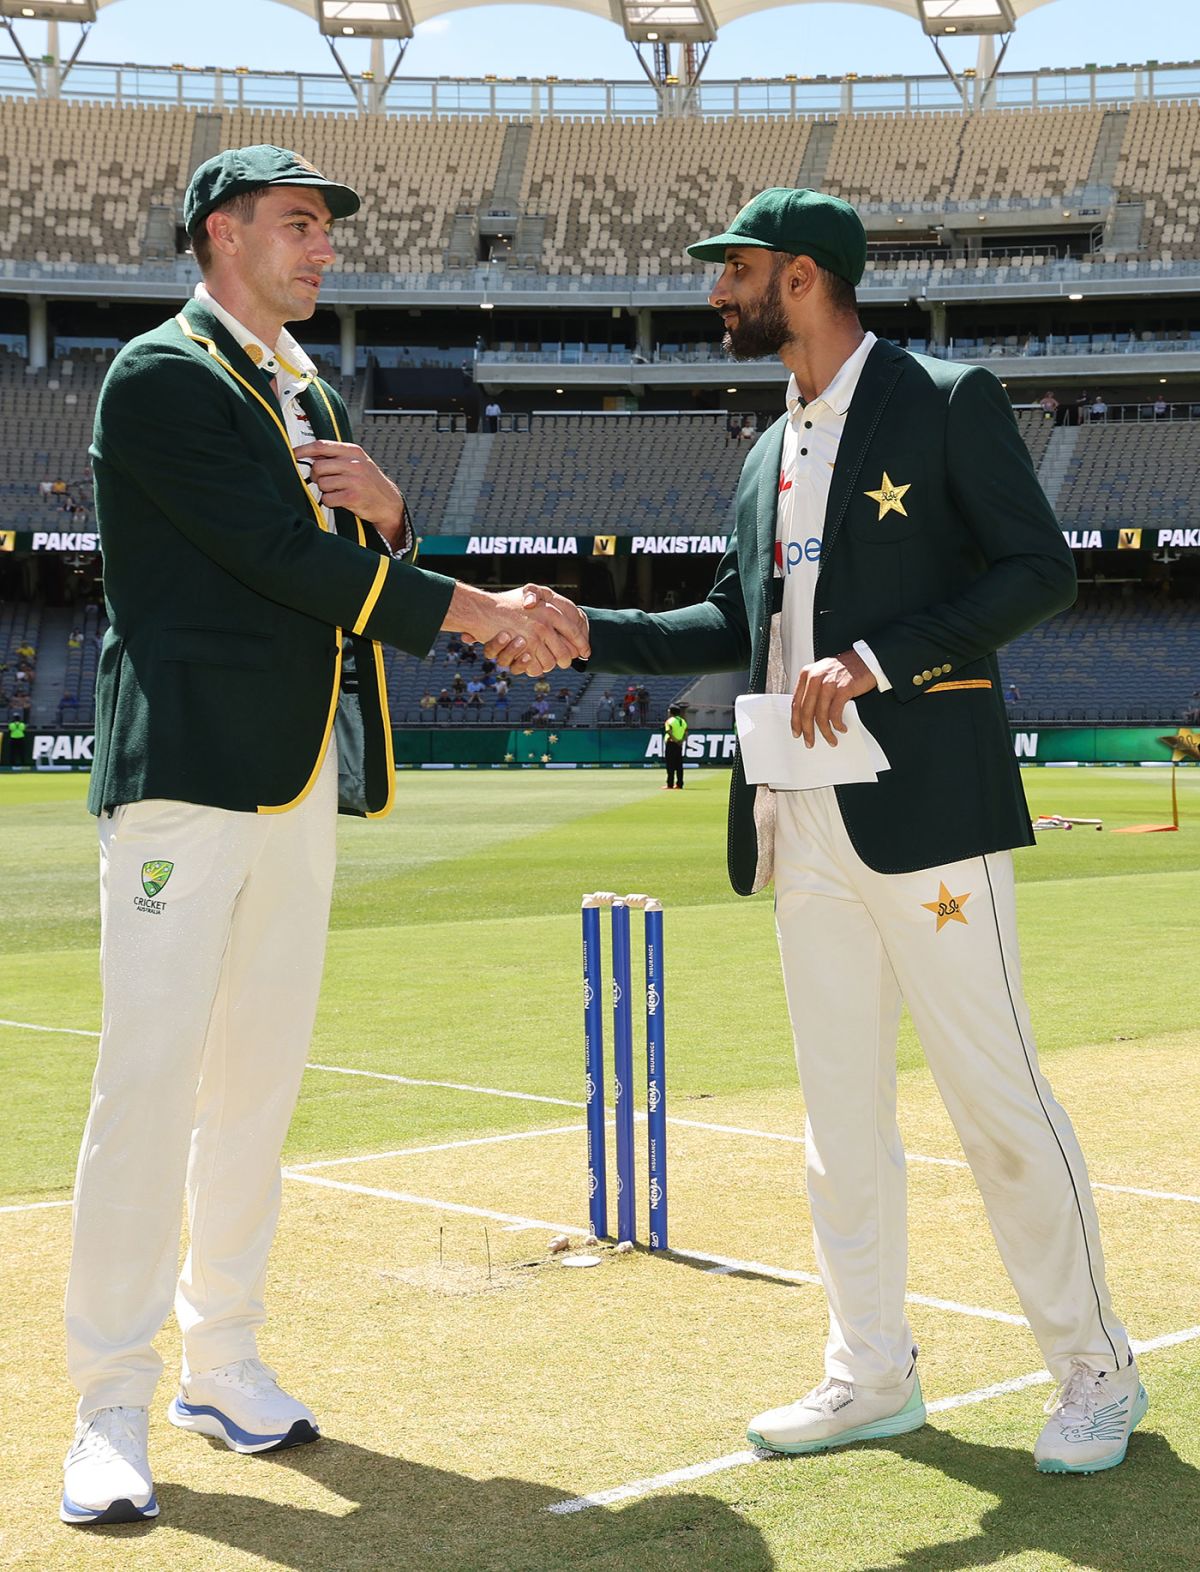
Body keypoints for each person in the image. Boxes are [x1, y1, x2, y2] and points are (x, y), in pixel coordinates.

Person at [495, 187, 1141, 1477]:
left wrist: (872, 659)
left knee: (997, 1101)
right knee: (839, 1122)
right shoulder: (767, 445)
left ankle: (1094, 1373)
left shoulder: (944, 397)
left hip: (930, 815)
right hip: (799, 820)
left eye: (731, 270)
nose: (715, 292)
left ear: (799, 276)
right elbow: (730, 628)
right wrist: (575, 631)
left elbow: (1041, 571)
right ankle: (871, 1374)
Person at [60, 143, 588, 1530]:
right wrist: (479, 610)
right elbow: (281, 561)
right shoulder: (166, 374)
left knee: (253, 1085)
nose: (323, 250)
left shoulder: (306, 385)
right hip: (186, 771)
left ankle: (220, 1359)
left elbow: (346, 558)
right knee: (150, 1087)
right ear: (223, 234)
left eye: (324, 230)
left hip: (294, 782)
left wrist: (398, 513)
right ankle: (109, 1400)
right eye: (299, 227)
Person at [663, 704, 687, 789]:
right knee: (679, 765)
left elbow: (669, 732)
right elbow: (686, 733)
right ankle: (679, 784)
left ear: (671, 712)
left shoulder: (669, 721)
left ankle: (670, 784)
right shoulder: (682, 721)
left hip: (671, 744)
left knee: (670, 765)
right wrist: (681, 741)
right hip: (679, 745)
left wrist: (675, 740)